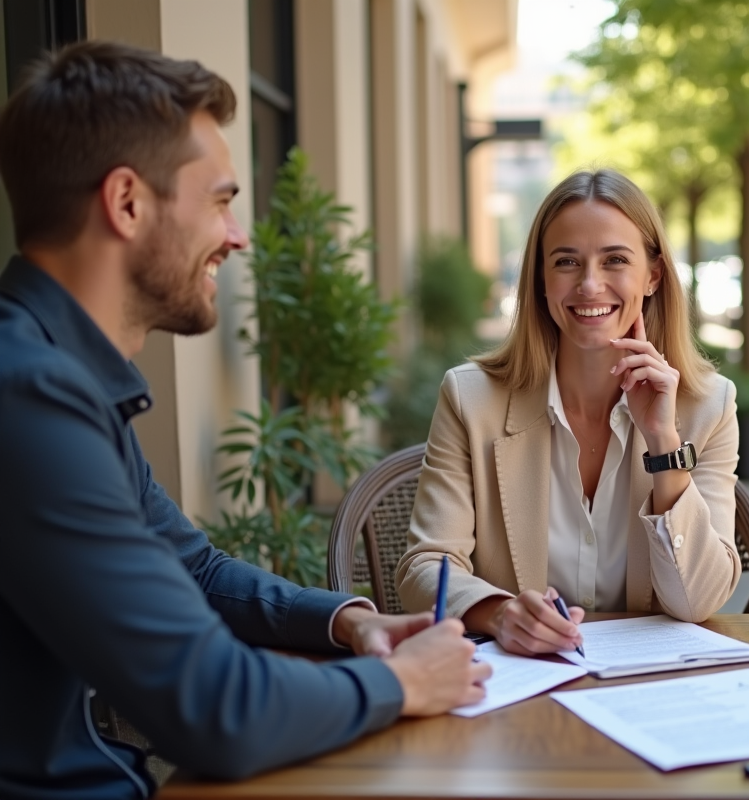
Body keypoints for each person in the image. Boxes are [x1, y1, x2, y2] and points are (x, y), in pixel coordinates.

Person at [0, 41, 490, 800]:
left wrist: (351, 622)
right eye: (222, 200)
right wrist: (399, 684)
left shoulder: (59, 375)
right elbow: (216, 709)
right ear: (127, 202)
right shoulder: (26, 395)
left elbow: (194, 570)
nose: (237, 237)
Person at [395, 169, 740, 655]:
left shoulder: (709, 406)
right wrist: (500, 614)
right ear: (540, 277)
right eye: (566, 262)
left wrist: (663, 442)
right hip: (522, 682)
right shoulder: (470, 399)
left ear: (653, 276)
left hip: (652, 689)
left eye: (615, 259)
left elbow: (699, 601)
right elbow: (425, 568)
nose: (590, 284)